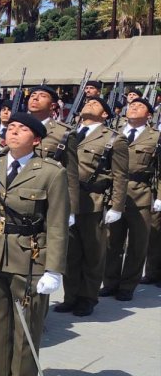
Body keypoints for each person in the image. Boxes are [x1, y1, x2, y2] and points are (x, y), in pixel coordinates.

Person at [0, 113, 68, 376]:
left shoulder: (51, 172)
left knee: (26, 329)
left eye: (22, 129)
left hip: (30, 258)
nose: (13, 132)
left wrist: (54, 270)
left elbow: (56, 225)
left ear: (36, 139)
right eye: (11, 127)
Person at [56, 96, 127, 317]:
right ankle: (71, 296)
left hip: (92, 201)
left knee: (93, 253)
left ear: (105, 115)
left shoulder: (114, 139)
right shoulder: (68, 133)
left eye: (96, 104)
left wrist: (116, 206)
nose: (90, 104)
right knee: (70, 253)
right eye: (88, 102)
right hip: (66, 200)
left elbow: (120, 176)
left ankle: (87, 298)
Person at [102, 97, 160, 301]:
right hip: (114, 193)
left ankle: (127, 285)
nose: (134, 107)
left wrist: (159, 196)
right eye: (132, 105)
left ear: (149, 115)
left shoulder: (155, 137)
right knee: (112, 242)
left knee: (137, 243)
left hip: (140, 193)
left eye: (140, 106)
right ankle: (110, 282)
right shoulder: (112, 134)